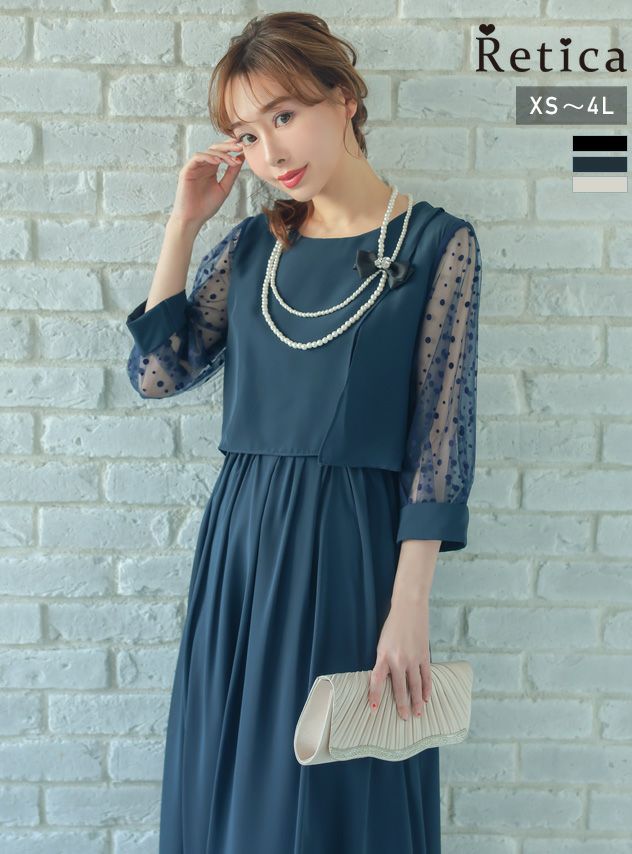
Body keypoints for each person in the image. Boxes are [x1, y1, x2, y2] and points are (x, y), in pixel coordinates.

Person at [125, 11, 482, 854]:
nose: (271, 152)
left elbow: (441, 441)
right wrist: (184, 224)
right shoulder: (253, 245)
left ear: (345, 98)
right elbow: (158, 372)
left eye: (283, 116)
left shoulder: (438, 244)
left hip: (352, 548)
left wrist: (409, 607)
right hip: (242, 545)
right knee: (236, 784)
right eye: (248, 135)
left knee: (332, 789)